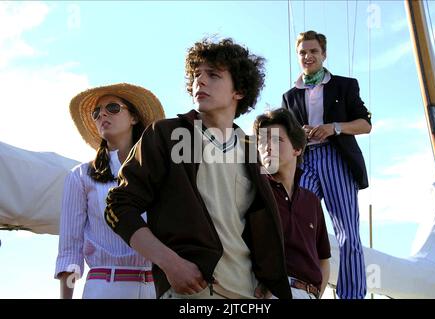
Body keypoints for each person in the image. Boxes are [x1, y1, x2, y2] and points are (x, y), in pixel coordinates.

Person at [104, 38, 292, 299]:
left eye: (213, 74)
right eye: (196, 75)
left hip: (248, 294)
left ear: (239, 91)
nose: (199, 81)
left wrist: (269, 278)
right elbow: (118, 207)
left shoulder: (252, 151)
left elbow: (259, 224)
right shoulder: (166, 134)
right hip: (192, 292)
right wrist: (171, 264)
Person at [281, 31, 372, 299]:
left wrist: (333, 128)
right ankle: (302, 288)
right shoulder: (290, 95)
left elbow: (365, 125)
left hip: (336, 158)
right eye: (302, 52)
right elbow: (287, 132)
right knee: (294, 221)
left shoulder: (345, 85)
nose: (308, 56)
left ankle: (351, 296)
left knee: (347, 234)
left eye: (313, 52)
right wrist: (300, 133)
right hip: (305, 161)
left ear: (324, 55)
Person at [55, 83, 165, 299]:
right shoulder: (80, 176)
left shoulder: (159, 173)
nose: (102, 114)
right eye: (96, 113)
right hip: (104, 288)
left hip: (158, 288)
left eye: (112, 108)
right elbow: (70, 251)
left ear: (134, 117)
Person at [254, 108, 331, 299]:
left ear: (297, 148)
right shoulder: (254, 192)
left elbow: (323, 259)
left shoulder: (312, 202)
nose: (267, 147)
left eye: (276, 140)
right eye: (262, 141)